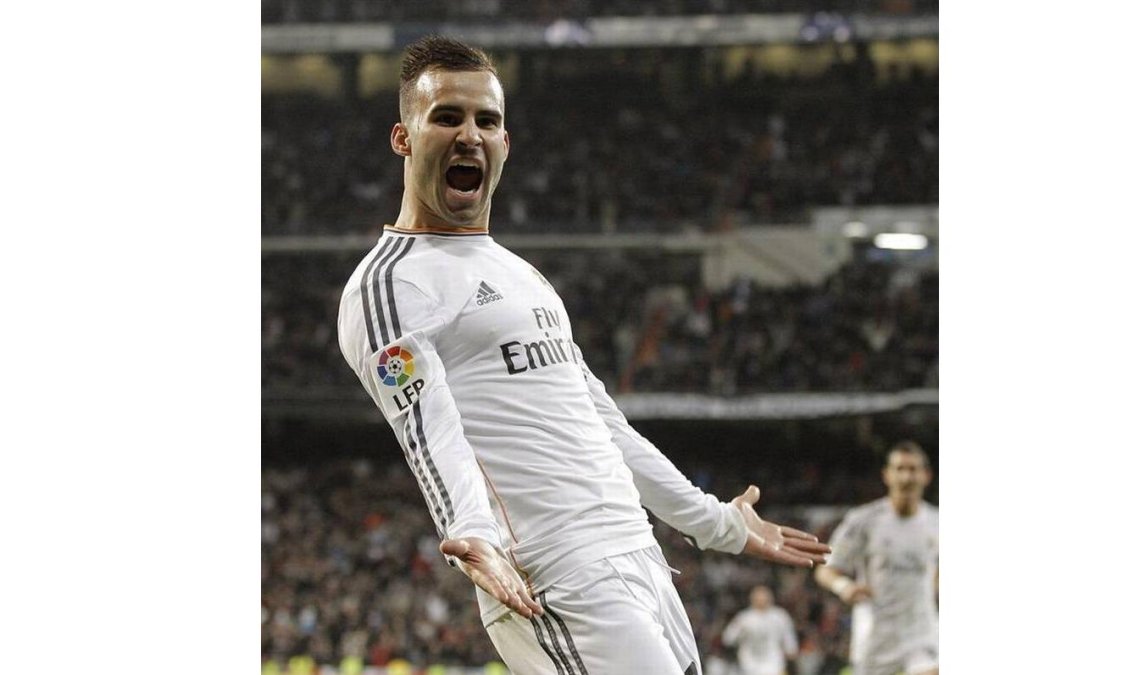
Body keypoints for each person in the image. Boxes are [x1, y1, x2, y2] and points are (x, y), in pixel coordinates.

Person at [336, 35, 831, 675]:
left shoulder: (522, 275)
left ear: (506, 144)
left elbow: (604, 423)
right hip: (554, 572)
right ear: (404, 138)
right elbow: (430, 430)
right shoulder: (387, 285)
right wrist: (473, 534)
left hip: (637, 554)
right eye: (447, 117)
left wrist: (716, 524)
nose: (470, 135)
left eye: (487, 120)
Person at [814, 441, 939, 675]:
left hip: (922, 633)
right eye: (900, 469)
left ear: (926, 475)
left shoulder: (937, 522)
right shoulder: (863, 521)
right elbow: (825, 569)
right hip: (876, 637)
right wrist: (844, 587)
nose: (906, 476)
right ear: (887, 475)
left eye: (913, 469)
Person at [721, 585, 799, 675]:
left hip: (774, 666)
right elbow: (727, 638)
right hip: (749, 667)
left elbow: (790, 641)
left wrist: (791, 651)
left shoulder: (780, 616)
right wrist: (741, 632)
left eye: (764, 597)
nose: (761, 600)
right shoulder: (744, 618)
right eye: (758, 597)